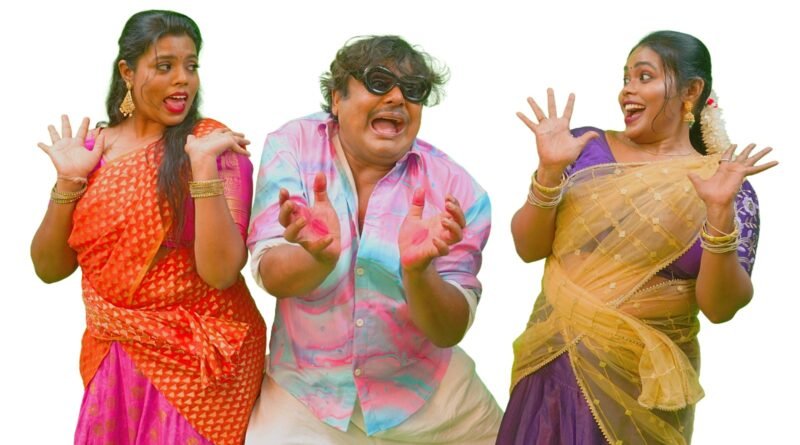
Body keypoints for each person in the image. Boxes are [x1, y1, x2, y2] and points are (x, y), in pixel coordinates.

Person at [498, 30, 777, 444]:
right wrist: (549, 172)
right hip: (553, 373)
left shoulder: (724, 185)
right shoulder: (586, 149)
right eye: (625, 78)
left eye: (644, 77)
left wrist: (719, 213)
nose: (627, 90)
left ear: (691, 91)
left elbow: (720, 309)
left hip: (643, 397)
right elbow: (528, 248)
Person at [245, 35, 502, 444]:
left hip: (426, 401)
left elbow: (448, 330)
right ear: (336, 98)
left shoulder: (460, 192)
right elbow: (271, 274)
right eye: (378, 82)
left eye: (413, 89)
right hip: (306, 397)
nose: (397, 97)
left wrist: (418, 273)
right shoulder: (292, 145)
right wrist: (318, 259)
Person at [30, 10, 265, 445]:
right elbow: (48, 268)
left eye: (191, 66)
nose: (183, 80)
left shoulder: (212, 146)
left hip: (202, 366)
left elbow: (221, 273)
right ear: (127, 71)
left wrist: (202, 169)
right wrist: (68, 182)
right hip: (116, 356)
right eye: (164, 66)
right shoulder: (91, 151)